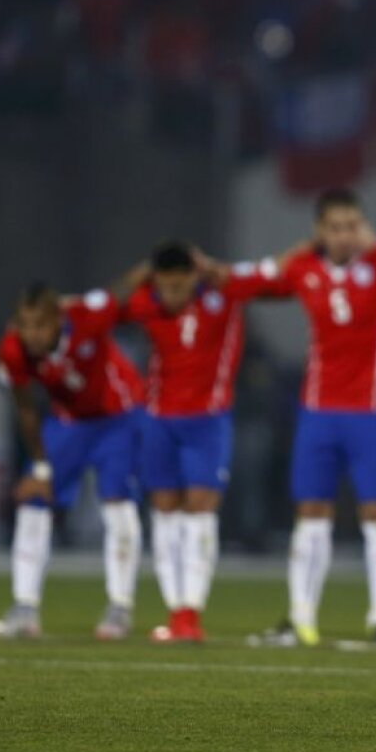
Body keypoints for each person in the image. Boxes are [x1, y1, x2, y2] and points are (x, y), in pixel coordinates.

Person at [253, 190, 376, 647]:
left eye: (352, 225)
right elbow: (262, 279)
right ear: (320, 231)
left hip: (372, 413)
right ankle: (302, 615)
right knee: (311, 513)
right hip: (319, 411)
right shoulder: (305, 269)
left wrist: (372, 242)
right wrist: (294, 252)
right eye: (336, 227)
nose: (345, 235)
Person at [121, 241, 287, 643]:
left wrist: (214, 267)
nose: (173, 295)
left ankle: (190, 612)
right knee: (164, 510)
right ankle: (174, 608)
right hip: (159, 420)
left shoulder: (224, 296)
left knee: (201, 509)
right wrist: (143, 272)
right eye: (166, 286)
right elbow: (115, 302)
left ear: (194, 277)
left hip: (208, 421)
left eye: (181, 285)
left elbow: (273, 280)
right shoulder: (148, 303)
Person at [0, 282, 144, 640]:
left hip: (119, 416)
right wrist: (41, 467)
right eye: (24, 325)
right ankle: (24, 608)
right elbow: (25, 408)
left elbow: (122, 291)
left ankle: (119, 607)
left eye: (40, 325)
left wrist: (156, 264)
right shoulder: (13, 350)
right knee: (33, 498)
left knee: (118, 503)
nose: (32, 335)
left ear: (58, 319)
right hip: (68, 422)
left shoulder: (86, 317)